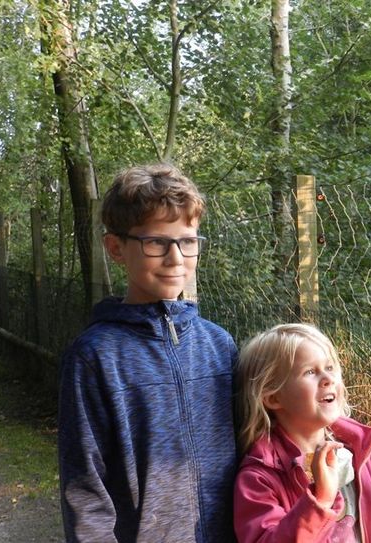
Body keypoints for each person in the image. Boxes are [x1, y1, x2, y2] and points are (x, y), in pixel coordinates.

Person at [58, 163, 238, 542]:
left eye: (188, 241)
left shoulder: (219, 345)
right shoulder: (95, 357)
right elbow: (85, 488)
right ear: (116, 247)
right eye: (156, 242)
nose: (176, 259)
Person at [232, 323, 371, 542]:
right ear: (273, 397)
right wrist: (320, 501)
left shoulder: (360, 448)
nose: (328, 379)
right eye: (309, 371)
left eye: (329, 368)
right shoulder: (260, 478)